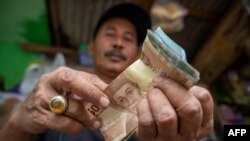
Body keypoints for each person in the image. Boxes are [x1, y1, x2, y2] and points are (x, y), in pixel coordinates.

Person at [0, 3, 214, 141]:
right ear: (91, 47)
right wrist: (19, 120)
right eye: (110, 34)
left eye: (128, 38)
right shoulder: (57, 93)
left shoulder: (161, 113)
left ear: (138, 55)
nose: (119, 43)